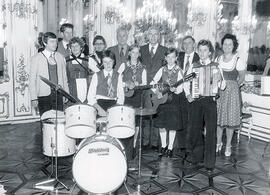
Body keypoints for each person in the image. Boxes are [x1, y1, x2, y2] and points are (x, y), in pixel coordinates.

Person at [184, 40, 224, 172]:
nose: (202, 53)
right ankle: (196, 158)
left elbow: (222, 86)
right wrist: (188, 94)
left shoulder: (216, 66)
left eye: (205, 50)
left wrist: (220, 81)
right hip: (196, 100)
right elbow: (185, 82)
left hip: (210, 101)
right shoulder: (193, 66)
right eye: (200, 50)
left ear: (210, 52)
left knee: (211, 131)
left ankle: (209, 163)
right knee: (195, 130)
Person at [150, 48, 184, 158]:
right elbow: (153, 82)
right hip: (163, 100)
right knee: (162, 124)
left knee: (172, 125)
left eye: (172, 57)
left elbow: (181, 87)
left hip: (173, 100)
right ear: (165, 58)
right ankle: (163, 146)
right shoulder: (162, 69)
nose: (170, 59)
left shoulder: (179, 70)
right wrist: (157, 92)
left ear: (176, 58)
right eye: (168, 57)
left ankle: (170, 148)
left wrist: (176, 90)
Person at [216, 34, 246, 157]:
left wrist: (232, 87)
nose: (227, 46)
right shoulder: (218, 59)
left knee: (230, 120)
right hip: (219, 92)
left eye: (230, 44)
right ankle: (218, 142)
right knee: (218, 119)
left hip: (232, 93)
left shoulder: (238, 60)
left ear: (234, 46)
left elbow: (242, 79)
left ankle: (228, 144)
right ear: (222, 45)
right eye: (225, 44)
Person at [140, 26, 168, 150]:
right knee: (146, 115)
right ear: (147, 36)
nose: (153, 36)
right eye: (150, 34)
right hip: (145, 87)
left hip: (158, 88)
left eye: (155, 34)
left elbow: (167, 70)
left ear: (159, 36)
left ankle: (156, 143)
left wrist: (161, 88)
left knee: (157, 113)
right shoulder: (141, 49)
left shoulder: (165, 50)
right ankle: (145, 142)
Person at [30, 32, 69, 116]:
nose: (55, 44)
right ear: (45, 43)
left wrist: (66, 93)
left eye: (56, 42)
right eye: (52, 42)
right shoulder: (36, 58)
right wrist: (33, 98)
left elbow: (64, 77)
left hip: (59, 94)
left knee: (59, 120)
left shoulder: (60, 57)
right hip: (43, 95)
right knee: (45, 120)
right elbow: (32, 80)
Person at [176, 35, 199, 158]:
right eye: (184, 43)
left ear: (194, 44)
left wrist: (193, 93)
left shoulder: (199, 57)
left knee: (192, 120)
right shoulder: (178, 57)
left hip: (193, 93)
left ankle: (191, 145)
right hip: (179, 92)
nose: (187, 46)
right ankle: (182, 146)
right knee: (181, 119)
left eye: (189, 43)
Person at [66, 37, 91, 102]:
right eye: (72, 46)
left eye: (77, 46)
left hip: (86, 90)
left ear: (81, 47)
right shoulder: (65, 60)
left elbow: (98, 73)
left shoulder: (88, 60)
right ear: (70, 48)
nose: (74, 48)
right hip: (71, 91)